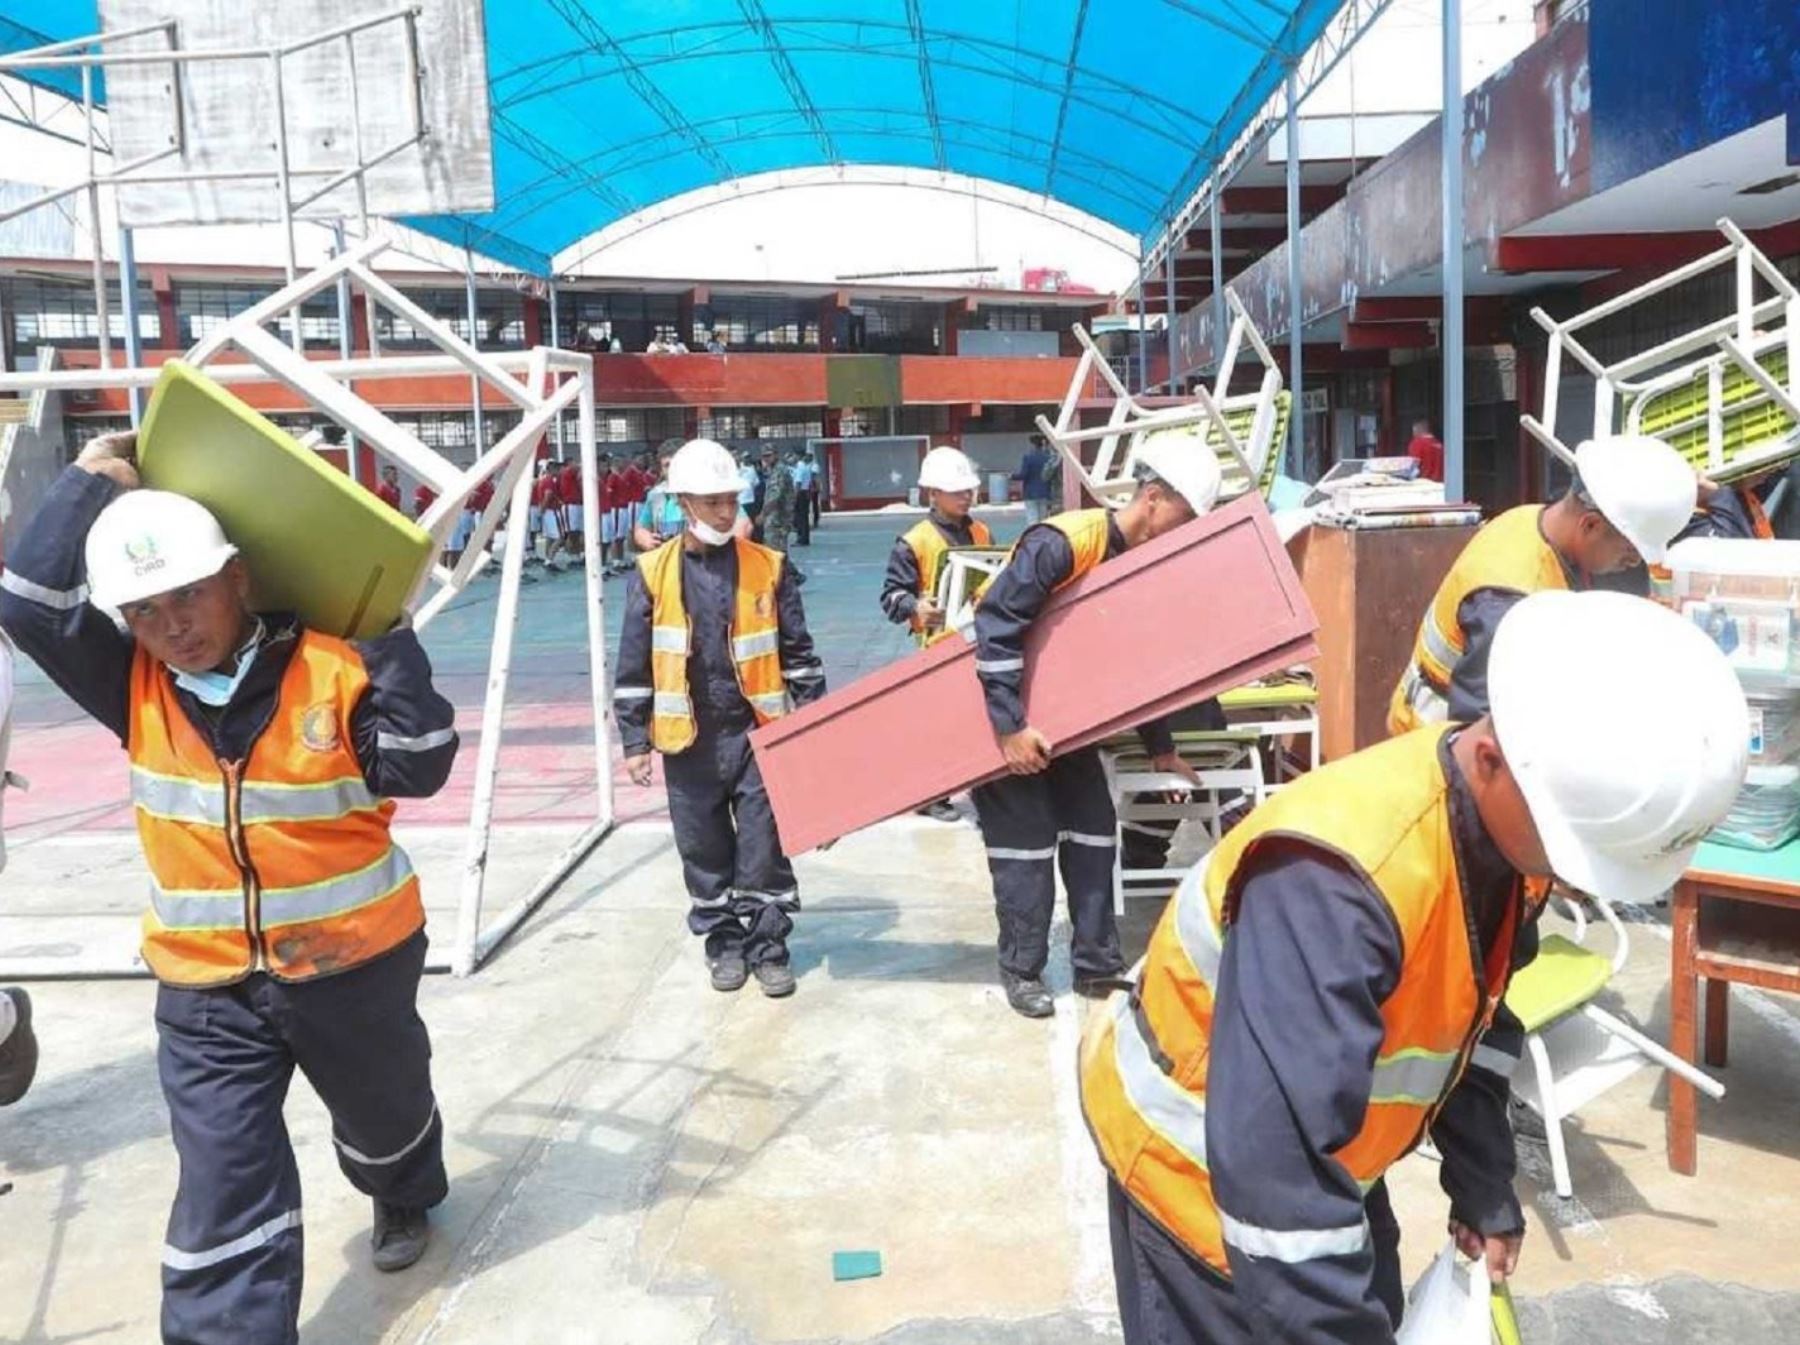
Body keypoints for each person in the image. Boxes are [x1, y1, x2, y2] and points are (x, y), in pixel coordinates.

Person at [1081, 589, 1747, 1344]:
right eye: (1571, 853)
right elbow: (1281, 1197)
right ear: (1490, 757)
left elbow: (1474, 1019)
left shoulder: (1515, 835)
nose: (1576, 881)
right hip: (1193, 1181)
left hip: (1321, 1147)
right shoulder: (1334, 887)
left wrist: (1483, 1185)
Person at [0, 431, 459, 1343]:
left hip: (353, 965)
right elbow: (27, 600)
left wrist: (388, 633)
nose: (172, 625)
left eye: (188, 594)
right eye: (144, 611)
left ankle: (402, 1191)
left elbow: (417, 765)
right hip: (207, 989)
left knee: (386, 1121)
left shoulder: (335, 664)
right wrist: (97, 476)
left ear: (237, 578)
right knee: (222, 1181)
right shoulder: (132, 682)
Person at [972, 432, 1223, 1018]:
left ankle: (1095, 966)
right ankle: (1023, 969)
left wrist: (1160, 748)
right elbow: (996, 625)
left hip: (1065, 723)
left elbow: (1133, 664)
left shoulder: (1144, 564)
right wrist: (1009, 728)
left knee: (1092, 833)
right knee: (1026, 848)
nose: (1187, 531)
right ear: (1154, 497)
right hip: (1001, 711)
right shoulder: (1066, 542)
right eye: (1185, 516)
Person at [613, 439, 825, 999]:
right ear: (683, 502)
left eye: (731, 499)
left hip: (758, 734)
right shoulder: (652, 572)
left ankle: (770, 947)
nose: (726, 512)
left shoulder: (770, 566)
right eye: (712, 502)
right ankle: (724, 946)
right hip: (689, 742)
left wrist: (815, 727)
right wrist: (635, 739)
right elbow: (633, 661)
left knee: (763, 849)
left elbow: (799, 653)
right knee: (704, 853)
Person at [1389, 434, 1701, 735]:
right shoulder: (1505, 604)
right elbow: (1480, 740)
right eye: (1631, 550)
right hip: (1437, 745)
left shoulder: (1532, 520)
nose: (1634, 563)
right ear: (1590, 524)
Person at [881, 445, 992, 648]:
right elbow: (891, 596)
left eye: (968, 490)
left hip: (982, 638)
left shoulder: (982, 532)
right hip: (936, 647)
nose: (966, 496)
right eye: (957, 491)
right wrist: (915, 606)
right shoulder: (913, 542)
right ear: (934, 493)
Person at [759, 445, 799, 562]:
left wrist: (763, 514)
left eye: (769, 455)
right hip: (776, 517)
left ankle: (786, 577)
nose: (766, 458)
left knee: (775, 551)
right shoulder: (774, 470)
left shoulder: (779, 471)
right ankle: (787, 576)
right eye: (764, 456)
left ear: (776, 455)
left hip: (778, 518)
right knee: (777, 551)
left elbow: (775, 496)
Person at [1012, 433, 1057, 526]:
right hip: (1044, 492)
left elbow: (1023, 475)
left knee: (1032, 519)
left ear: (1032, 445)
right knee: (1043, 520)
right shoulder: (1048, 458)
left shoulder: (1028, 458)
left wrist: (1011, 476)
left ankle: (1034, 537)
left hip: (1030, 493)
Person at [789, 450, 816, 546]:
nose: (792, 458)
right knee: (803, 517)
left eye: (793, 455)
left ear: (798, 456)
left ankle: (801, 539)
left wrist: (794, 497)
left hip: (800, 493)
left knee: (800, 518)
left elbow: (798, 483)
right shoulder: (805, 466)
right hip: (805, 493)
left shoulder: (800, 467)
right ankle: (804, 538)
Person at [1406, 417, 1445, 482]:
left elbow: (1412, 466)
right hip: (1440, 484)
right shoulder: (1439, 444)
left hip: (1422, 483)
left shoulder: (1417, 443)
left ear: (1417, 429)